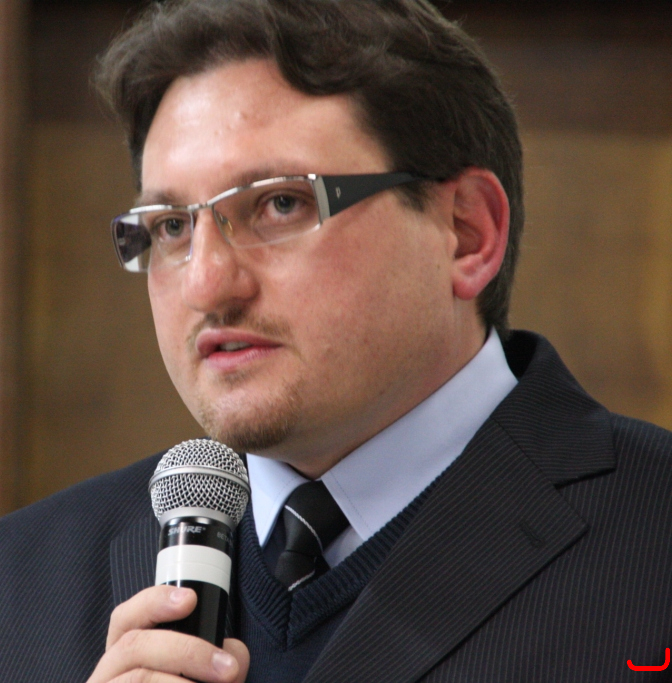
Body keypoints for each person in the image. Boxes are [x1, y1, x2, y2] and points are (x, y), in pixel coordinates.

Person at [2, 0, 672, 681]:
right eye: (172, 226)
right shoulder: (19, 583)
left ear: (467, 233)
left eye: (280, 204)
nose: (207, 285)